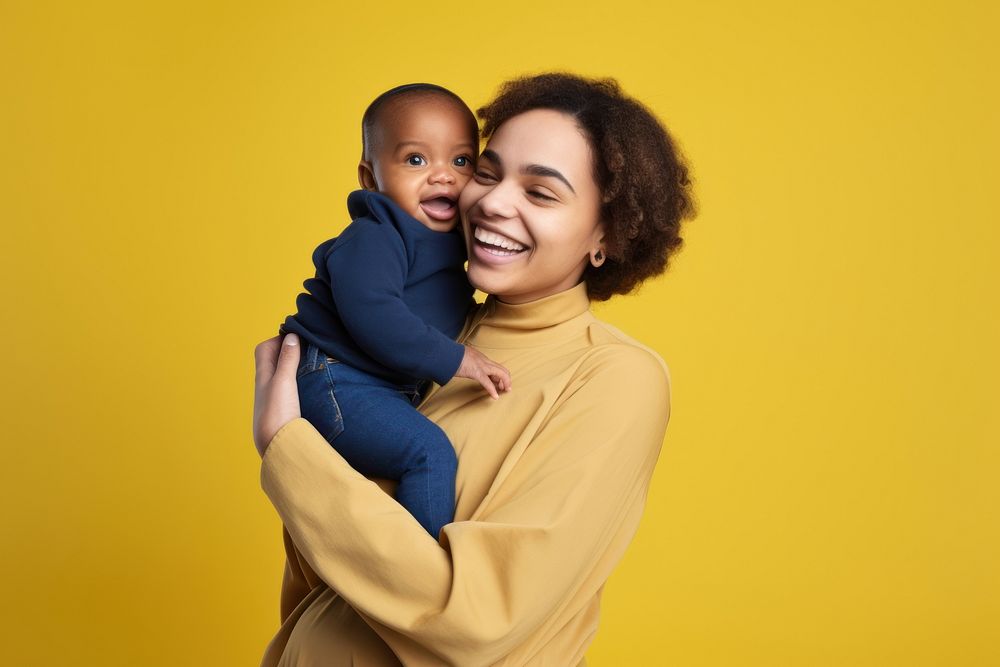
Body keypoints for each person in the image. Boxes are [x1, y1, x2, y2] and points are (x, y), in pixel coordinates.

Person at [253, 72, 695, 666]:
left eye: (541, 193)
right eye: (486, 172)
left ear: (605, 235)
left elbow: (482, 618)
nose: (490, 201)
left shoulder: (615, 378)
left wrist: (286, 448)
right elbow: (324, 578)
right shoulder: (430, 337)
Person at [280, 83, 511, 537]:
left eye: (461, 161)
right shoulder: (376, 236)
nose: (443, 175)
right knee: (428, 452)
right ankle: (427, 573)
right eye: (416, 160)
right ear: (370, 178)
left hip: (380, 385)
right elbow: (373, 312)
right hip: (338, 378)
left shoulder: (457, 241)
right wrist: (457, 358)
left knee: (375, 492)